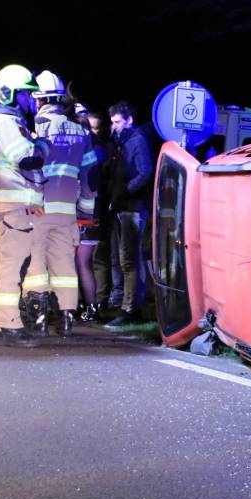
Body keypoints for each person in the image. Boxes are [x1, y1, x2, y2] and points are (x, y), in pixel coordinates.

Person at [0, 64, 47, 347]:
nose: (29, 100)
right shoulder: (5, 123)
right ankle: (8, 327)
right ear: (9, 94)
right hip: (14, 208)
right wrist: (42, 146)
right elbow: (27, 158)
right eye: (25, 94)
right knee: (10, 267)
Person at [21, 71, 96, 337]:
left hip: (39, 209)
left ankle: (39, 319)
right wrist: (86, 212)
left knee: (37, 263)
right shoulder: (81, 131)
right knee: (65, 265)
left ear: (39, 101)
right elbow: (90, 176)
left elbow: (29, 168)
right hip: (68, 213)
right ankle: (66, 318)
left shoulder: (35, 128)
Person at [104, 101, 153, 329]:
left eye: (117, 122)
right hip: (121, 206)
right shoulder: (122, 141)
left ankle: (130, 308)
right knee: (120, 259)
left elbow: (145, 172)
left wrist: (126, 190)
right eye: (112, 122)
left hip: (133, 207)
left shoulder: (137, 140)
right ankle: (124, 304)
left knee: (130, 260)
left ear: (129, 120)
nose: (113, 127)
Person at [74, 105, 108, 323]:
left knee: (81, 262)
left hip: (85, 214)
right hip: (94, 213)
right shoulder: (99, 149)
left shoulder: (87, 150)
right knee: (82, 262)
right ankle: (87, 307)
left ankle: (90, 308)